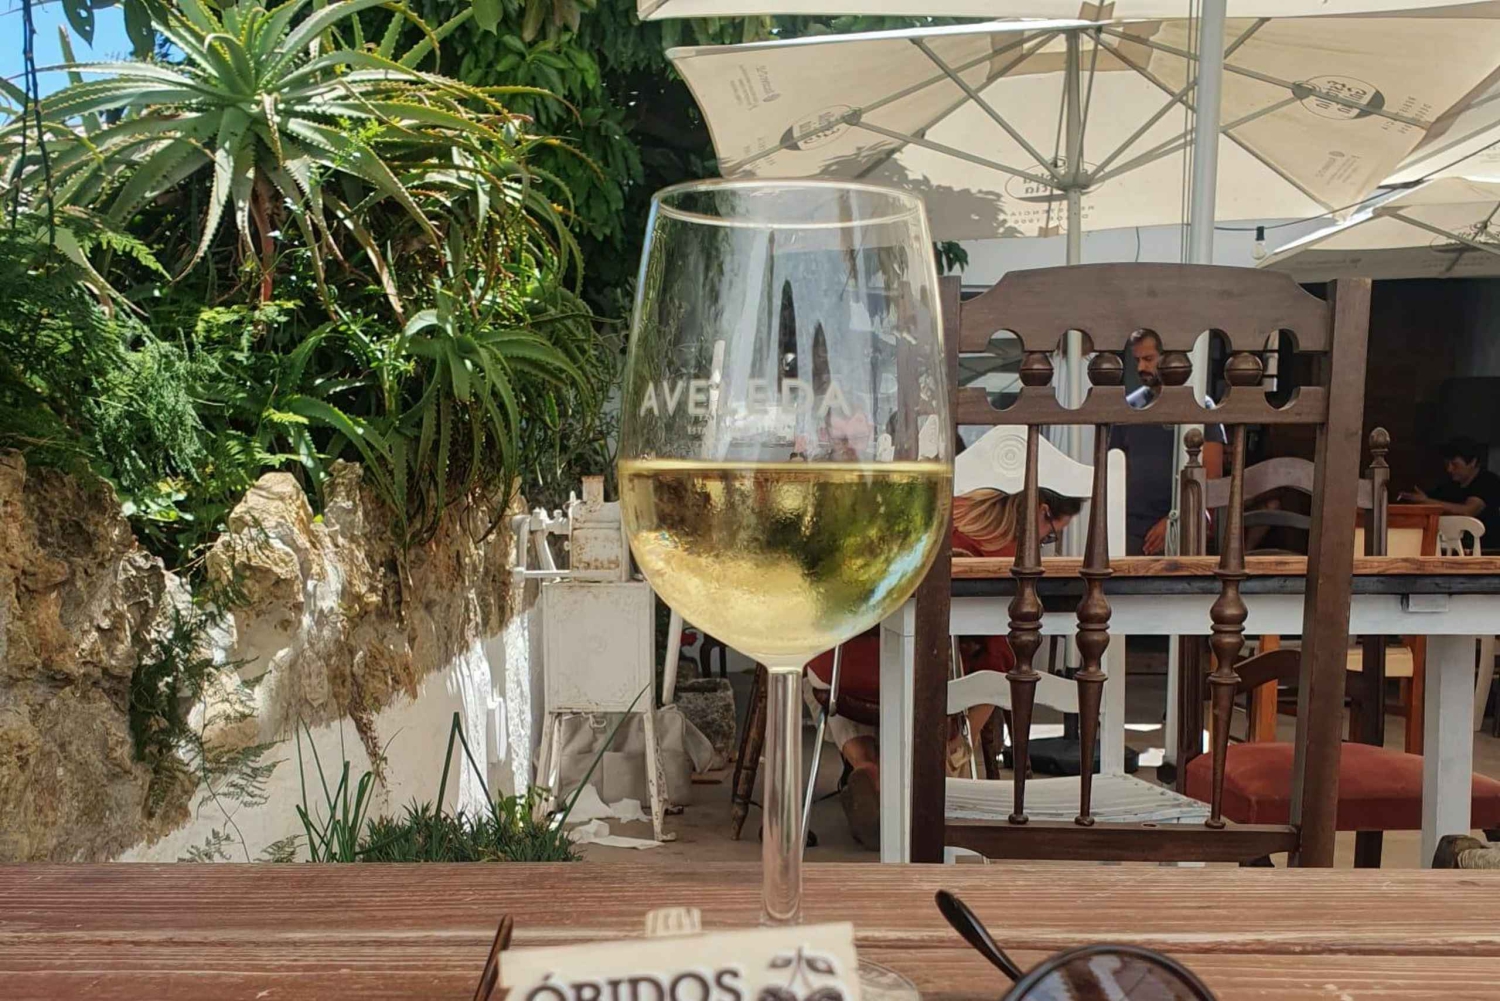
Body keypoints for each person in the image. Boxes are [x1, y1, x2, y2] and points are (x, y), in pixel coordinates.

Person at [804, 487, 1083, 849]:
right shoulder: (1004, 559)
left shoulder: (938, 511)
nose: (1046, 543)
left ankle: (868, 767)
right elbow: (999, 661)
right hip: (926, 681)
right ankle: (935, 770)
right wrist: (962, 739)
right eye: (1050, 535)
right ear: (1042, 512)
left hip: (838, 670)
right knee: (984, 670)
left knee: (828, 673)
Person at [1108, 331, 1224, 555]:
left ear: (1169, 357)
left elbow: (1211, 477)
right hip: (1130, 529)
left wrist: (1173, 520)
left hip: (1181, 524)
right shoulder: (1129, 407)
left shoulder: (1201, 405)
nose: (1141, 367)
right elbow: (1115, 470)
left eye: (1148, 359)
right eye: (1137, 360)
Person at [1400, 436, 1500, 552]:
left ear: (1473, 462)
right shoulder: (1449, 486)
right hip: (1450, 550)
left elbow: (1468, 510)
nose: (1449, 469)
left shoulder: (1488, 481)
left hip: (1486, 551)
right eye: (1447, 464)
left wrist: (1426, 501)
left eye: (1455, 464)